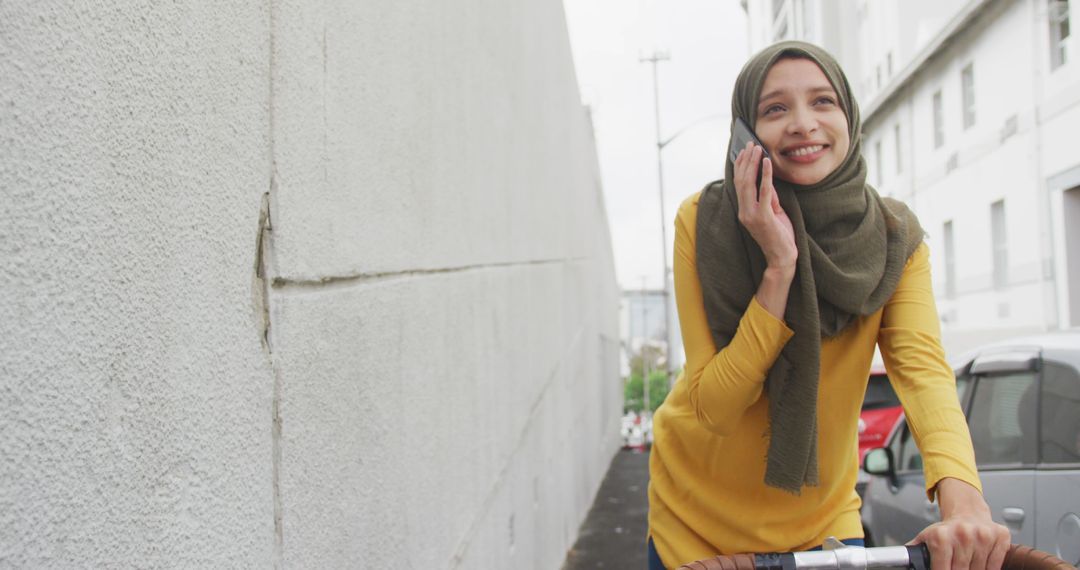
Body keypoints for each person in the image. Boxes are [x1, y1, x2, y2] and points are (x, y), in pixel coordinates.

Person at [646, 41, 1011, 570]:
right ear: (744, 133)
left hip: (822, 525)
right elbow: (715, 409)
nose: (802, 123)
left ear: (849, 117)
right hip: (692, 524)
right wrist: (778, 269)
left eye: (822, 102)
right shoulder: (703, 222)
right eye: (775, 108)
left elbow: (924, 374)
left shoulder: (894, 239)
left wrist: (965, 500)